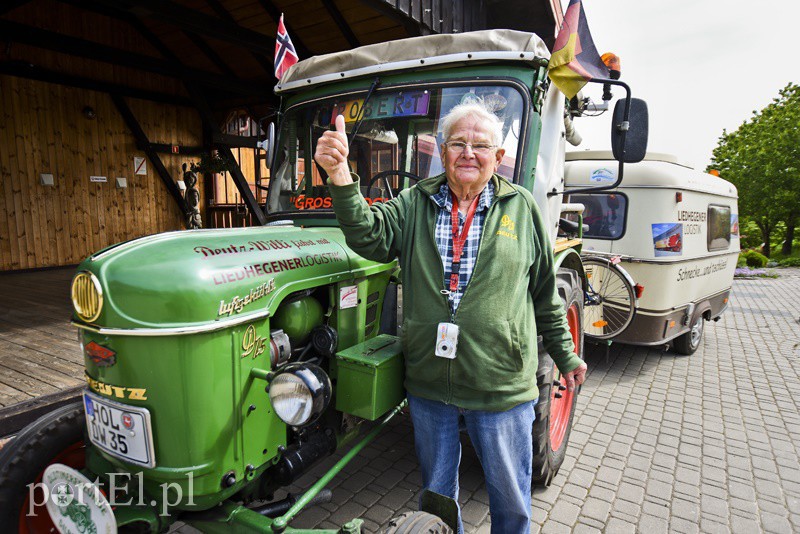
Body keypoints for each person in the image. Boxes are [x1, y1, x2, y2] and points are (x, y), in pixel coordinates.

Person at [315, 102, 587, 533]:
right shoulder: (415, 202)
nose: (468, 153)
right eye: (457, 142)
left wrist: (566, 356)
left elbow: (543, 295)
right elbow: (370, 236)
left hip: (499, 384)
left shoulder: (522, 209)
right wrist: (341, 176)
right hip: (429, 384)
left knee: (511, 501)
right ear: (441, 151)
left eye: (480, 145)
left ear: (499, 158)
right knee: (437, 496)